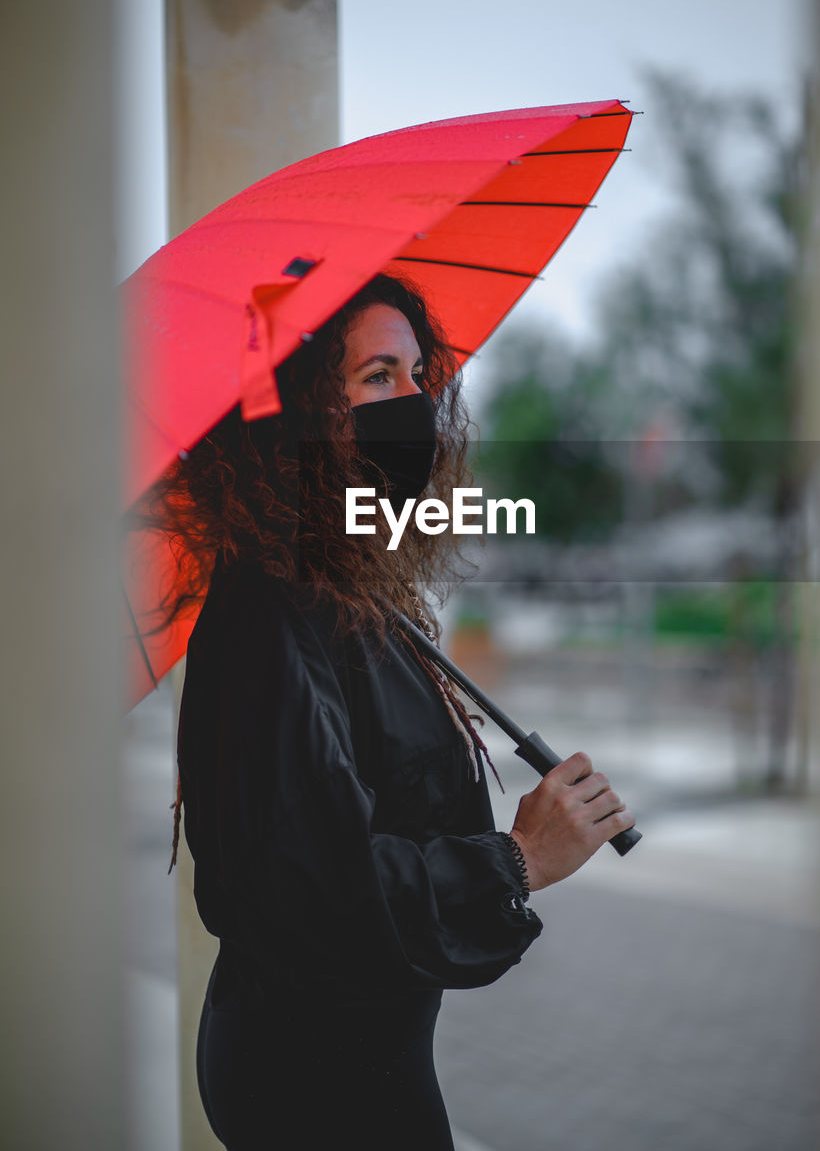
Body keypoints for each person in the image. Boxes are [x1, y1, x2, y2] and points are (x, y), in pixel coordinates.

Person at [155, 272, 635, 1149]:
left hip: (367, 1055)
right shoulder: (274, 605)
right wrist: (517, 859)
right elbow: (313, 890)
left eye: (418, 375)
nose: (412, 402)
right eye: (377, 376)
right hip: (316, 1081)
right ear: (304, 412)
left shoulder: (341, 585)